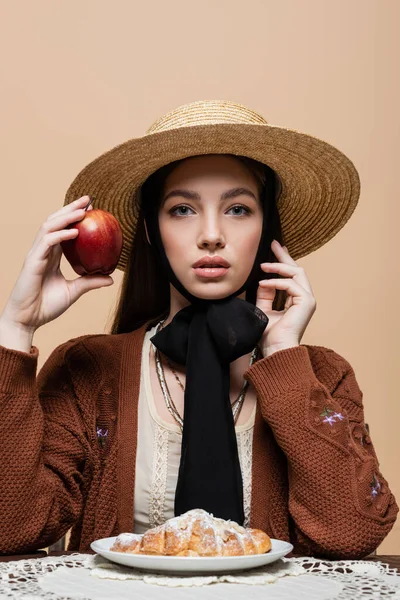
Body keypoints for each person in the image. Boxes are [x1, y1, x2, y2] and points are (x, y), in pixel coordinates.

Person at [0, 100, 397, 559]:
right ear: (151, 230)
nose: (211, 234)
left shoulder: (321, 374)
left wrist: (284, 356)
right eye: (183, 210)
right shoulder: (88, 369)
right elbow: (11, 529)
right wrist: (15, 327)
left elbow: (352, 534)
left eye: (239, 209)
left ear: (267, 227)